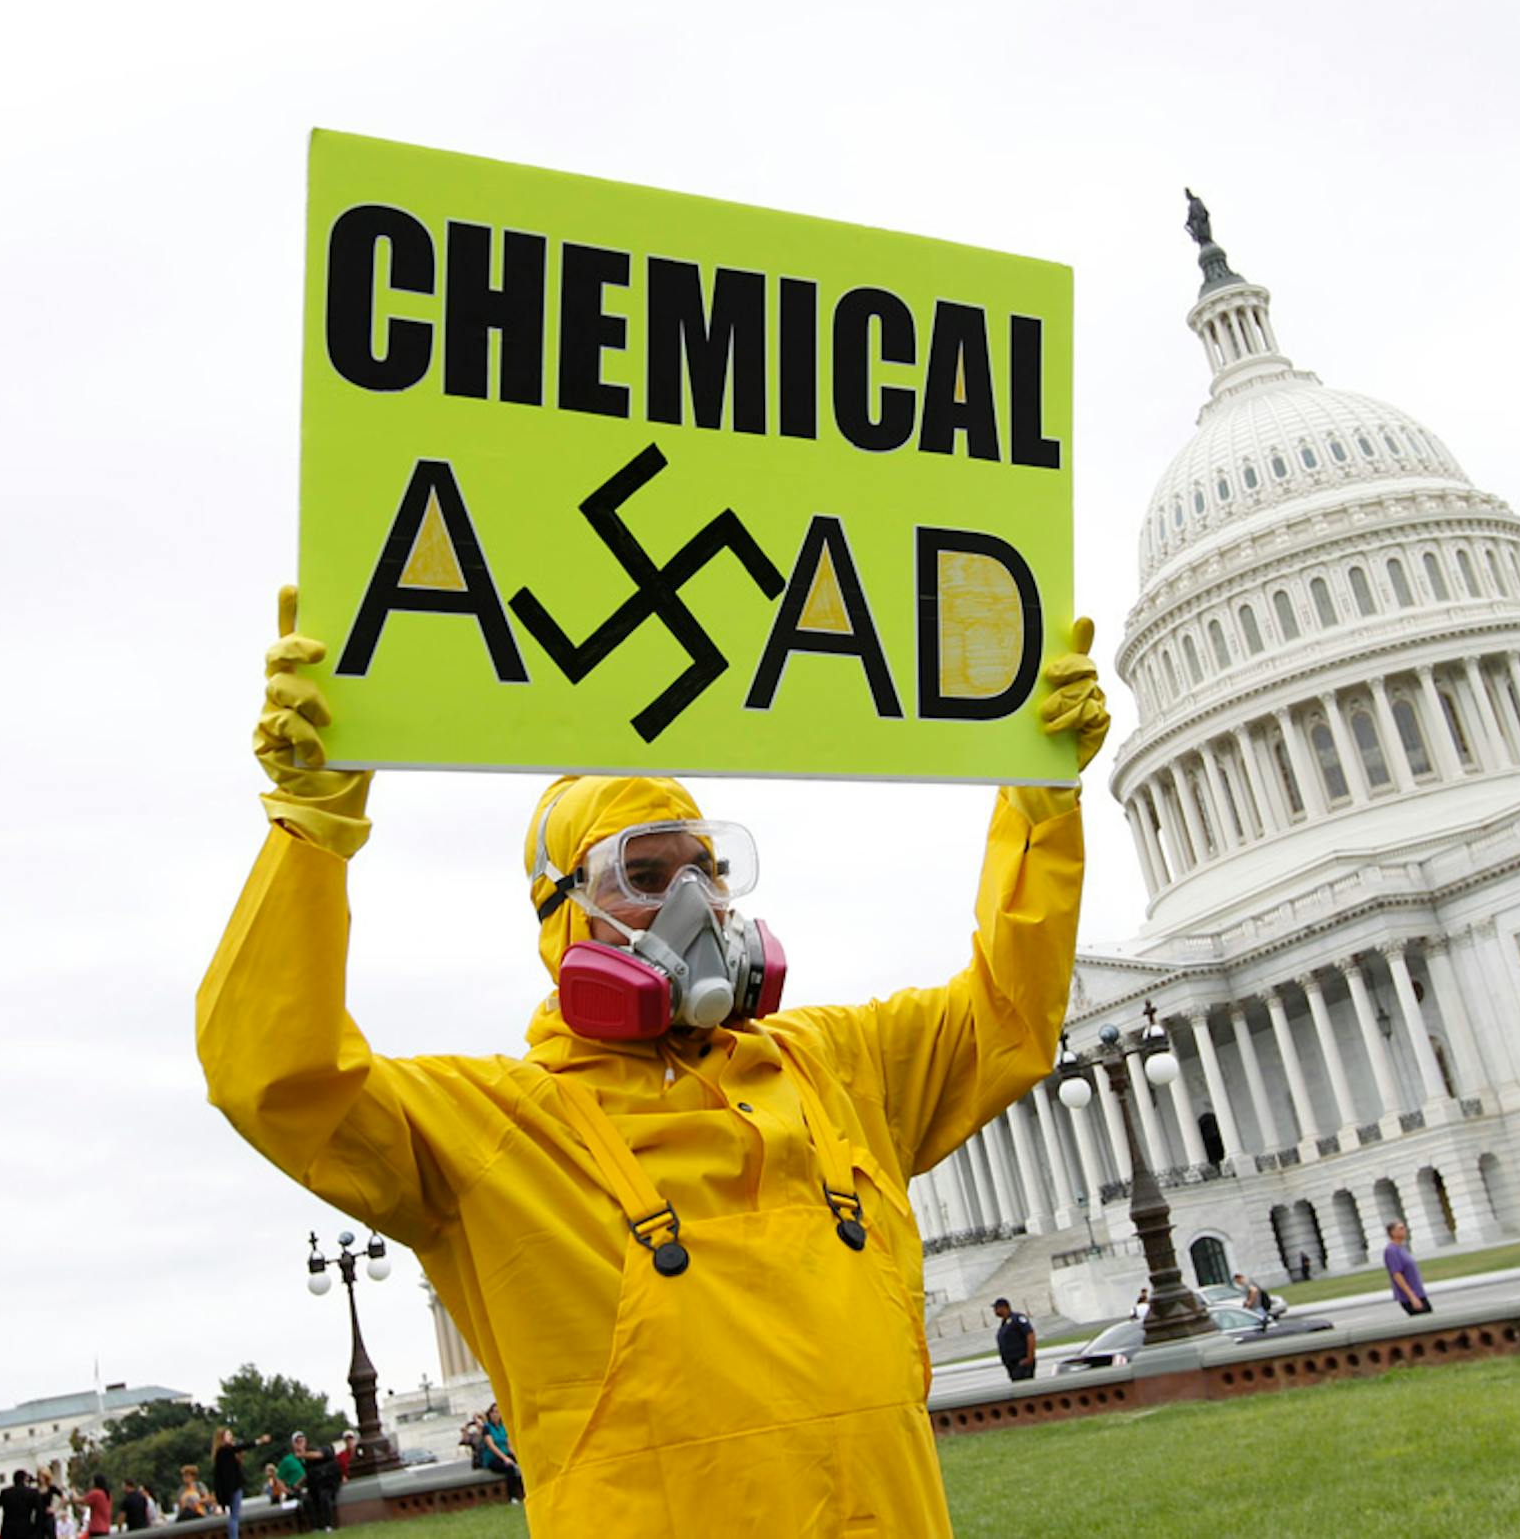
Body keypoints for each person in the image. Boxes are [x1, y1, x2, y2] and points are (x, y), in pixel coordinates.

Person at [197, 589, 1107, 1535]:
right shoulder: (491, 1130)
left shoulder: (835, 1066)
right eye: (642, 876)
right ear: (563, 916)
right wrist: (311, 830)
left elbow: (1010, 1016)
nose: (692, 901)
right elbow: (273, 1075)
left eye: (704, 869)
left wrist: (1040, 807)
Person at [211, 1428, 266, 1539]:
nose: (231, 1437)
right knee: (234, 1516)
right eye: (228, 1435)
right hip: (233, 1487)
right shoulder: (225, 1451)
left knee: (233, 1516)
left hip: (229, 1488)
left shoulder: (220, 1454)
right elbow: (241, 1447)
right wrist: (259, 1441)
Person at [0, 1472, 44, 1539]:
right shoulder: (33, 1493)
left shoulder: (5, 1493)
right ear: (25, 1479)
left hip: (8, 1532)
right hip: (26, 1531)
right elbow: (40, 1513)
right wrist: (37, 1532)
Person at [1383, 1221, 1431, 1316]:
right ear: (1393, 1233)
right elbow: (1397, 1274)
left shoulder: (1401, 1248)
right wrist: (1412, 1296)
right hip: (1410, 1297)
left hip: (1418, 1293)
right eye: (1401, 1228)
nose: (1405, 1230)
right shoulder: (1391, 1251)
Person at [992, 1297, 1036, 1381]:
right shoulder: (1005, 1323)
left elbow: (1030, 1335)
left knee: (1024, 1388)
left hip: (1021, 1362)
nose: (994, 1311)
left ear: (1003, 1307)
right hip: (1012, 1365)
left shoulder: (1017, 1318)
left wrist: (1030, 1357)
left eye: (996, 1308)